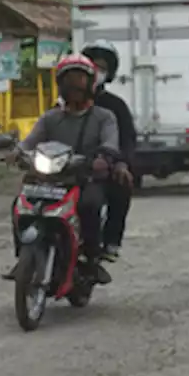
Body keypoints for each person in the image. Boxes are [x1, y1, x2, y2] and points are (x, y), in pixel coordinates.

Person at [4, 54, 120, 284]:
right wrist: (18, 152)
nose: (75, 85)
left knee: (90, 205)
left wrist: (103, 157)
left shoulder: (104, 117)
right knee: (20, 206)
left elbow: (110, 143)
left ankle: (91, 259)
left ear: (91, 83)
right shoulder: (50, 118)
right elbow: (30, 141)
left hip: (85, 178)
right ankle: (24, 257)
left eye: (80, 79)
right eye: (69, 79)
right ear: (60, 84)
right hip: (49, 179)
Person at [79, 39, 136, 262]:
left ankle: (108, 242)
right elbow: (42, 133)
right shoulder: (62, 104)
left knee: (118, 187)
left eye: (101, 68)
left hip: (100, 168)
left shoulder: (114, 108)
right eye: (92, 66)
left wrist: (120, 162)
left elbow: (127, 139)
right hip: (65, 167)